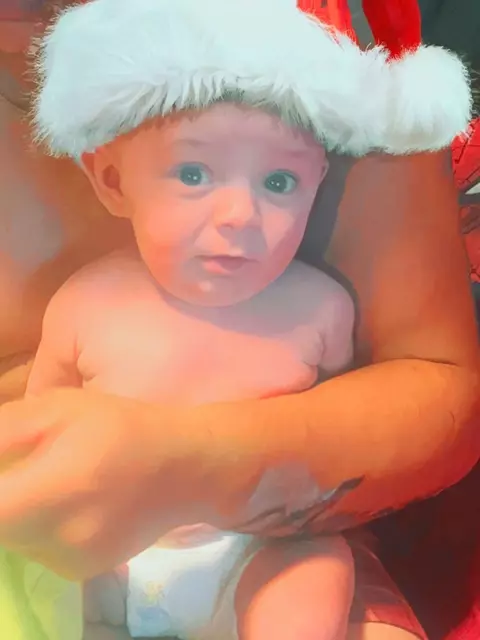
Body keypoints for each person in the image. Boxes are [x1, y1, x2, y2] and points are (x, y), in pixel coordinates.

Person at [0, 0, 477, 639]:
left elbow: (369, 411)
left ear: (318, 180)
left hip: (258, 546)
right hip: (109, 556)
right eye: (193, 174)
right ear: (111, 180)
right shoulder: (87, 302)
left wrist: (202, 467)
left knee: (317, 566)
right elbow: (40, 419)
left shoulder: (321, 306)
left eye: (278, 183)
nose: (238, 216)